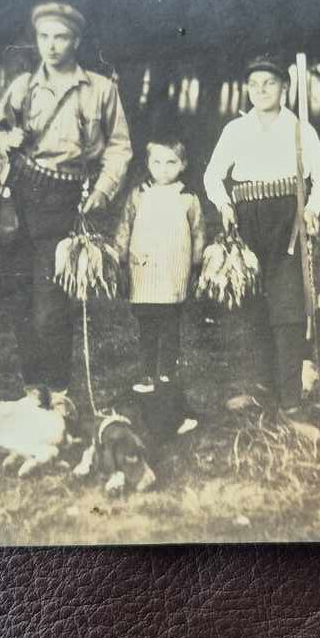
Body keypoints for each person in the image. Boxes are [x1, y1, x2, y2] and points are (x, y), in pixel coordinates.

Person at [0, 2, 133, 403]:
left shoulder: (101, 89)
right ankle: (33, 391)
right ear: (36, 40)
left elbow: (119, 149)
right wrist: (5, 141)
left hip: (66, 200)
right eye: (44, 36)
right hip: (18, 198)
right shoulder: (21, 87)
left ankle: (59, 393)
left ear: (77, 41)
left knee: (51, 307)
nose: (51, 46)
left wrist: (102, 191)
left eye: (61, 37)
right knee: (20, 299)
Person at [203, 55, 320, 419]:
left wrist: (312, 209)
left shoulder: (300, 130)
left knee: (288, 306)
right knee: (253, 304)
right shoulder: (235, 130)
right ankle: (262, 387)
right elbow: (213, 174)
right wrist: (224, 205)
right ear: (247, 90)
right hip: (246, 221)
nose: (261, 90)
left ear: (285, 88)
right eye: (254, 84)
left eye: (269, 84)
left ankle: (290, 396)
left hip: (287, 221)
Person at [115, 135, 206, 434]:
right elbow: (126, 226)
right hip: (144, 267)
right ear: (148, 164)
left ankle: (166, 371)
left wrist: (196, 263)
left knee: (170, 322)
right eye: (157, 162)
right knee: (146, 322)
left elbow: (198, 232)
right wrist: (120, 256)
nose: (163, 169)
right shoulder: (139, 194)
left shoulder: (187, 198)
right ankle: (146, 373)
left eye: (171, 162)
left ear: (183, 165)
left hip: (173, 269)